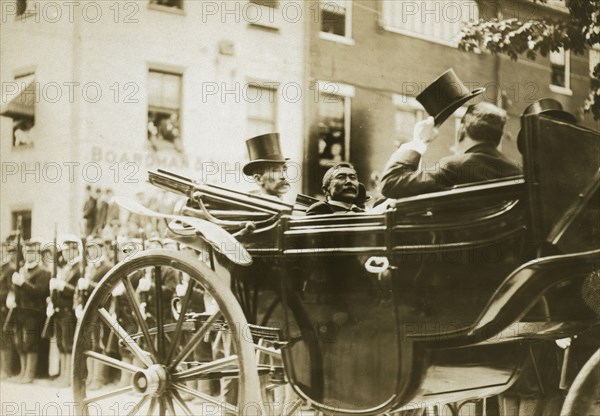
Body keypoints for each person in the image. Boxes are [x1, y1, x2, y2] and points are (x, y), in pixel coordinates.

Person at [380, 102, 522, 199]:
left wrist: (418, 142)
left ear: (461, 130)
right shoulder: (518, 172)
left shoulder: (453, 168)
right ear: (498, 137)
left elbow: (390, 183)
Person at [10, 238, 51, 384]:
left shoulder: (43, 272)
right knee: (20, 343)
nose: (28, 255)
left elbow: (40, 292)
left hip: (34, 312)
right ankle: (22, 372)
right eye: (26, 252)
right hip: (20, 311)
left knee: (30, 343)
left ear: (37, 253)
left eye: (32, 252)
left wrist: (23, 283)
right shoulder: (21, 270)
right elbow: (15, 290)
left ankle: (30, 373)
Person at [48, 234, 82, 387]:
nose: (67, 253)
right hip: (59, 310)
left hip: (69, 310)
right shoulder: (66, 267)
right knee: (61, 344)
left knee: (68, 345)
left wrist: (62, 286)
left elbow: (78, 290)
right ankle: (63, 375)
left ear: (76, 250)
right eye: (66, 250)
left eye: (70, 250)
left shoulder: (79, 267)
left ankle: (68, 377)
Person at [242, 133, 291, 200]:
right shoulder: (252, 207)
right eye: (275, 171)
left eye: (284, 170)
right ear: (258, 179)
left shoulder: (294, 205)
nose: (284, 177)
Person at [1, 239, 18, 380]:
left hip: (4, 309)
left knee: (6, 339)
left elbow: (9, 291)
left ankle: (7, 370)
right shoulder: (2, 269)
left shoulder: (10, 269)